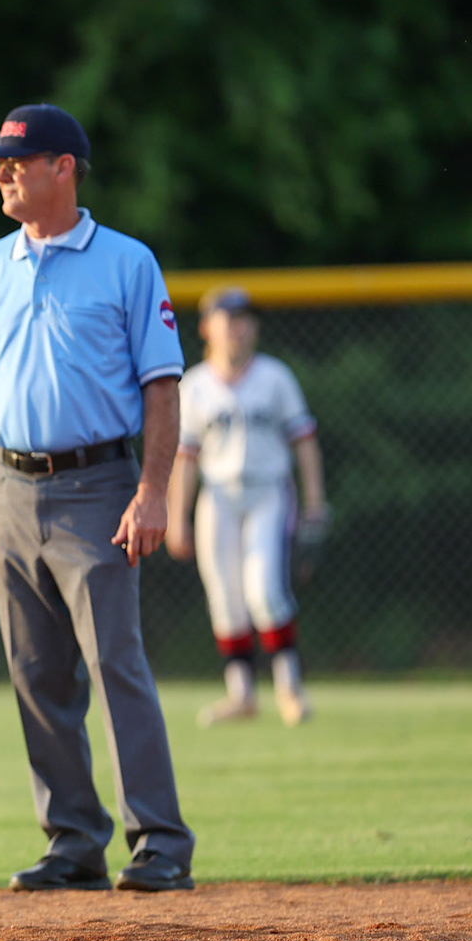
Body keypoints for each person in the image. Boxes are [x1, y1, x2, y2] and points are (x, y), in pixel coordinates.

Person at [0, 103, 196, 893]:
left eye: (18, 160)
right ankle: (74, 840)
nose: (4, 173)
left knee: (115, 662)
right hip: (10, 489)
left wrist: (153, 490)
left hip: (98, 486)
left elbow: (163, 385)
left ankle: (160, 843)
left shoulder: (125, 262)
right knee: (37, 672)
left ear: (65, 168)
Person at [166, 286, 327, 726]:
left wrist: (315, 503)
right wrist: (176, 516)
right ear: (206, 327)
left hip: (268, 491)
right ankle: (241, 695)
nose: (238, 326)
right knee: (225, 598)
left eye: (245, 318)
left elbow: (304, 442)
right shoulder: (195, 385)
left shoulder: (275, 377)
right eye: (228, 318)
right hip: (217, 496)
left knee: (264, 592)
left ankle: (289, 690)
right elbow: (185, 458)